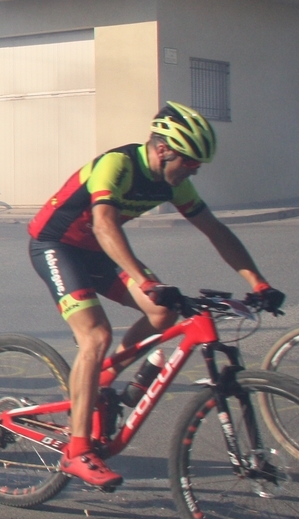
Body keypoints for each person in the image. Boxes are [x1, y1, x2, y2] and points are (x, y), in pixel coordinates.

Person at [27, 102, 283, 490]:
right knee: (95, 335)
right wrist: (144, 280)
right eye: (190, 162)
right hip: (56, 244)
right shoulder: (118, 165)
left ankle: (104, 375)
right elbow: (104, 223)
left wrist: (259, 282)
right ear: (163, 150)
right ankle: (77, 450)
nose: (194, 171)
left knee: (162, 314)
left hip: (97, 251)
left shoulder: (174, 182)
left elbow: (215, 230)